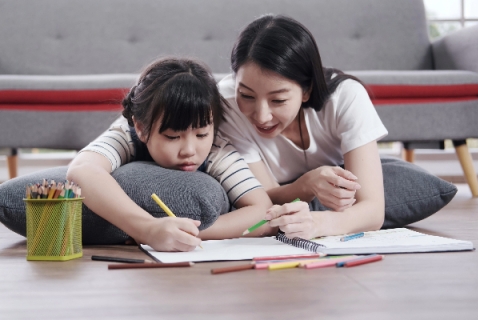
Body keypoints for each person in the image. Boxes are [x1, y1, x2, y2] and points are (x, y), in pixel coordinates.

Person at [67, 57, 275, 252]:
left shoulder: (217, 148)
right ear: (141, 128)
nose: (190, 150)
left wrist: (186, 233)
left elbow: (262, 212)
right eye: (173, 137)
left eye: (202, 134)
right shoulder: (126, 133)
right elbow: (83, 170)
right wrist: (146, 229)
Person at [218, 14, 388, 240]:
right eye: (247, 95)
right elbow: (264, 199)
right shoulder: (227, 104)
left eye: (278, 100)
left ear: (306, 90)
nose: (261, 116)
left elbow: (373, 211)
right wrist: (307, 185)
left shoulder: (345, 97)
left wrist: (318, 223)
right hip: (289, 189)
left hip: (335, 175)